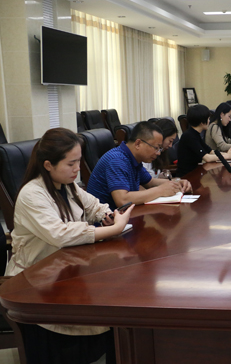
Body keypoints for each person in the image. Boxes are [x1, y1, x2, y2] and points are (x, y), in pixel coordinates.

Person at [6, 128, 135, 364]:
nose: (77, 169)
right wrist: (114, 229)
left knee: (119, 302)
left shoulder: (68, 185)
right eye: (71, 163)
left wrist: (107, 215)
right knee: (112, 311)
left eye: (78, 161)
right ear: (48, 165)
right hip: (35, 280)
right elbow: (60, 235)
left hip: (67, 269)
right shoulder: (32, 194)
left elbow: (94, 206)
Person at [87, 121, 192, 210]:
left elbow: (150, 182)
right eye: (156, 148)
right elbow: (122, 200)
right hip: (105, 223)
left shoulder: (133, 158)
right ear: (138, 144)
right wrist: (160, 191)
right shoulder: (117, 160)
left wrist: (176, 182)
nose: (159, 153)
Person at [178, 104, 231, 176]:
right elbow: (207, 158)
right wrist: (228, 156)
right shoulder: (189, 136)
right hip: (187, 175)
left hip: (196, 172)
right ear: (202, 122)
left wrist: (229, 154)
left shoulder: (196, 134)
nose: (209, 121)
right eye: (208, 119)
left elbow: (211, 151)